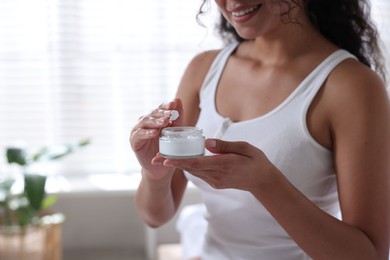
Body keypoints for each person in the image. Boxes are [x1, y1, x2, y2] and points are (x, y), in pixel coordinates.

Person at [130, 0, 390, 259]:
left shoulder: (352, 87)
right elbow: (154, 216)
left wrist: (266, 184)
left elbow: (370, 255)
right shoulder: (204, 69)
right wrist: (155, 174)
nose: (232, 2)